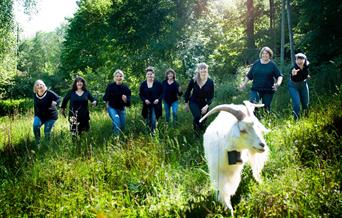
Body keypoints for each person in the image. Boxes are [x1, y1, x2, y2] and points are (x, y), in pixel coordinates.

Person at [240, 46, 283, 111]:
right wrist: (244, 84)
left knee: (266, 108)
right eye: (263, 53)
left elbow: (279, 76)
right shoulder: (256, 63)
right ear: (261, 54)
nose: (265, 55)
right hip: (256, 89)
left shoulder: (272, 65)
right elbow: (249, 75)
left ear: (270, 55)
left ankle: (265, 120)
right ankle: (253, 120)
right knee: (252, 106)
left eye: (266, 53)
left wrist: (277, 84)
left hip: (268, 90)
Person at [184, 63, 214, 136]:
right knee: (197, 116)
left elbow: (211, 96)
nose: (203, 70)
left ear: (207, 70)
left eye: (205, 68)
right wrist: (186, 103)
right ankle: (196, 134)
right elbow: (187, 92)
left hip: (204, 102)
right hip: (193, 101)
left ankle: (202, 130)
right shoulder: (193, 81)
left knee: (204, 119)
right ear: (198, 70)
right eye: (201, 68)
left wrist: (206, 106)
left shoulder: (210, 82)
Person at [103, 69, 131, 134]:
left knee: (122, 125)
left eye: (120, 76)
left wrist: (126, 99)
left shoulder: (125, 87)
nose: (119, 77)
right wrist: (107, 106)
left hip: (121, 108)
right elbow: (106, 97)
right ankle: (116, 140)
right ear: (114, 77)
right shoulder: (110, 86)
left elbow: (128, 102)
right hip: (112, 108)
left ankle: (116, 133)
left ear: (123, 77)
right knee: (117, 121)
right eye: (117, 76)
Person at [33, 79, 61, 144]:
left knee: (47, 132)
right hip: (39, 115)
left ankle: (47, 146)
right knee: (35, 126)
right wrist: (35, 116)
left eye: (41, 84)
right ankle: (38, 143)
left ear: (43, 85)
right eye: (37, 85)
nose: (39, 86)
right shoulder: (35, 94)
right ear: (35, 87)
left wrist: (56, 102)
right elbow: (35, 105)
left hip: (50, 116)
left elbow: (59, 98)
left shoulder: (49, 93)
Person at [139, 66, 163, 133]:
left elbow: (162, 93)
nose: (150, 75)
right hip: (146, 105)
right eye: (148, 74)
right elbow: (140, 94)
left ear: (154, 75)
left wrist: (158, 99)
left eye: (151, 74)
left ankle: (153, 134)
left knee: (153, 119)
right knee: (147, 121)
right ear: (146, 75)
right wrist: (145, 100)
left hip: (156, 105)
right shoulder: (143, 84)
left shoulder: (158, 83)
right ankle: (148, 133)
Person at [288, 53, 310, 120]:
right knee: (297, 103)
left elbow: (305, 73)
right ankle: (296, 120)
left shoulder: (306, 66)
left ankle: (306, 118)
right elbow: (292, 74)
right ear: (295, 61)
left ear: (305, 60)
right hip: (293, 86)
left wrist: (307, 76)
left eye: (301, 59)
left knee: (305, 103)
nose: (299, 61)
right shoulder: (294, 68)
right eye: (297, 59)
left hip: (303, 85)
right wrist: (293, 74)